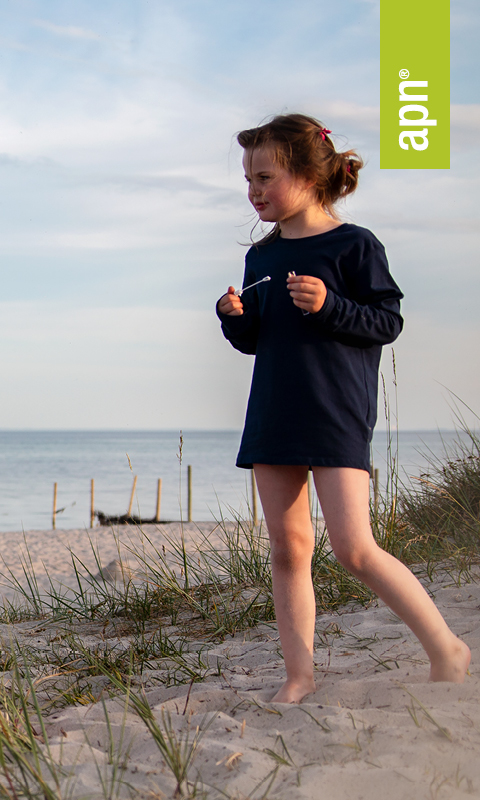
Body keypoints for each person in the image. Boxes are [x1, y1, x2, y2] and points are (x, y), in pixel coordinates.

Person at [216, 113, 470, 704]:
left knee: (355, 549)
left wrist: (330, 304)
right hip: (275, 410)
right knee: (288, 548)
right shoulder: (263, 256)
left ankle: (446, 647)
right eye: (248, 180)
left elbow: (387, 322)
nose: (253, 190)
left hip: (335, 411)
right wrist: (235, 320)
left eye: (265, 177)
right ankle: (299, 677)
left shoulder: (354, 244)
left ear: (307, 174)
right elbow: (259, 340)